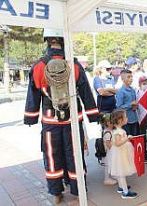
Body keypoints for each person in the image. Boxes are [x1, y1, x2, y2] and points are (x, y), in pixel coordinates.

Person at [24, 29, 99, 203]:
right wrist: (93, 115)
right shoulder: (74, 65)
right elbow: (86, 93)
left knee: (52, 155)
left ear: (47, 41)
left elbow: (33, 95)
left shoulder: (38, 66)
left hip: (51, 121)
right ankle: (78, 188)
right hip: (73, 119)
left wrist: (31, 117)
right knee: (75, 154)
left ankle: (56, 192)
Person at [109, 109, 138, 199]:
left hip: (122, 153)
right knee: (121, 172)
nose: (127, 118)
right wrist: (127, 138)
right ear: (120, 120)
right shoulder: (118, 132)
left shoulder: (119, 130)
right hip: (120, 154)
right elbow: (117, 144)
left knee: (121, 172)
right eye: (125, 117)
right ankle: (125, 192)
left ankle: (121, 187)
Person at [116, 69, 140, 136]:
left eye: (131, 77)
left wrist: (135, 106)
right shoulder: (121, 91)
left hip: (134, 119)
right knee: (128, 140)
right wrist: (130, 104)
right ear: (122, 79)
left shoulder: (132, 90)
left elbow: (134, 103)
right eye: (128, 77)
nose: (131, 79)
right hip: (126, 121)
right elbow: (119, 107)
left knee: (135, 138)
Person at [100, 113, 117, 186]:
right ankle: (107, 179)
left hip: (109, 153)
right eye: (112, 122)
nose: (113, 124)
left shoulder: (108, 131)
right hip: (109, 153)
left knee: (109, 166)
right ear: (107, 123)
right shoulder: (107, 132)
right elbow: (108, 145)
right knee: (108, 166)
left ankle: (110, 177)